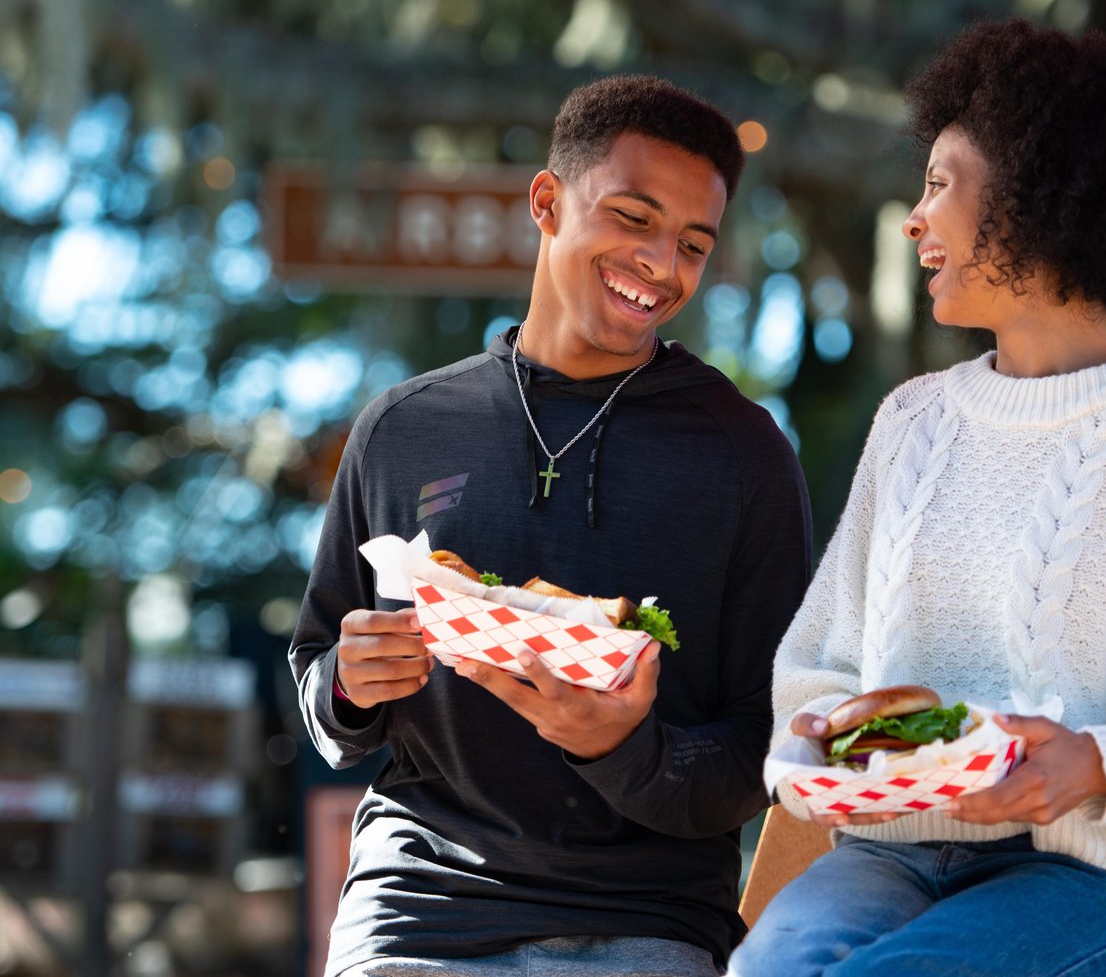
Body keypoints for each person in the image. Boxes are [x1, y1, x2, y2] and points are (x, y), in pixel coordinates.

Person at [729, 20, 1106, 977]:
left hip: (1099, 877)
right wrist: (820, 740)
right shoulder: (912, 421)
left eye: (940, 184)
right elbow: (815, 676)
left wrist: (1091, 764)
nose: (914, 218)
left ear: (1041, 191)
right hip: (888, 852)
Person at [290, 74, 812, 977]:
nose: (663, 264)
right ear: (546, 202)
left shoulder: (746, 454)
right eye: (634, 218)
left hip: (650, 921)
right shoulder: (401, 427)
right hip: (418, 907)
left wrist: (624, 747)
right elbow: (318, 687)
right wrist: (349, 682)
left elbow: (766, 745)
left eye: (694, 242)